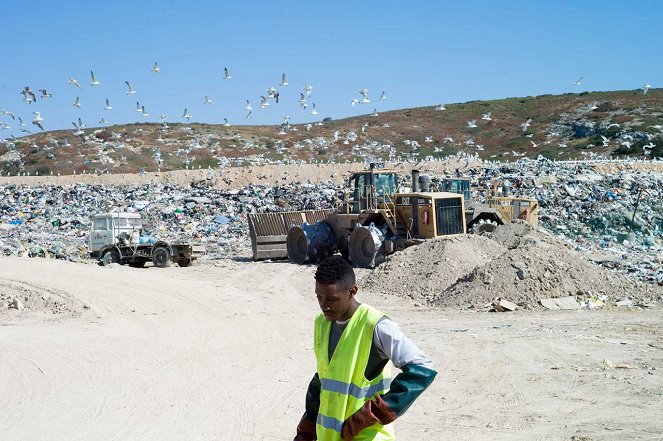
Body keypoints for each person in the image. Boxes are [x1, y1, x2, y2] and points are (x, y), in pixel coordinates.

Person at [294, 256, 437, 441]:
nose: (324, 305)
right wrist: (307, 429)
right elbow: (324, 378)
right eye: (319, 297)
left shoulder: (375, 326)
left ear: (352, 291)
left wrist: (373, 414)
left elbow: (423, 367)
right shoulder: (321, 323)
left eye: (331, 299)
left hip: (366, 436)